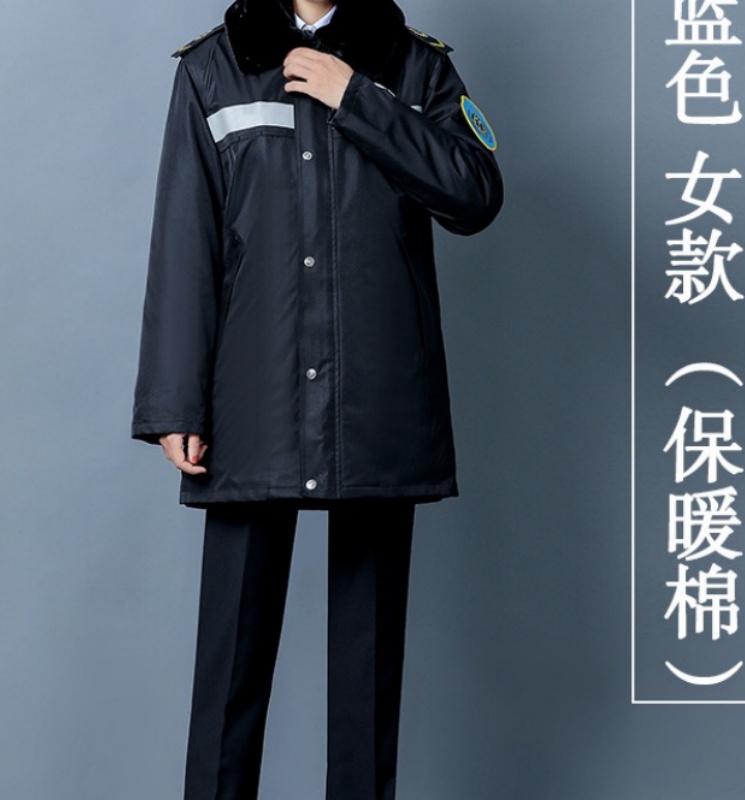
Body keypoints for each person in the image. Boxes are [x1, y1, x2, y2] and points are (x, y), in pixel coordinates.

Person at [131, 0, 502, 797]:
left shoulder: (415, 66)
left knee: (368, 684)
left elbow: (474, 195)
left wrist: (356, 98)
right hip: (251, 399)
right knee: (228, 676)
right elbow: (185, 236)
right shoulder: (213, 68)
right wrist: (174, 403)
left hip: (375, 398)